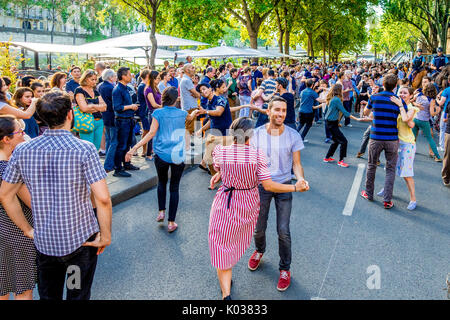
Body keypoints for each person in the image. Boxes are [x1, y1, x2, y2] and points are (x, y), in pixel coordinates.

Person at [0, 92, 112, 300]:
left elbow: (6, 195)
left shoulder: (23, 150)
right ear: (70, 114)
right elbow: (103, 198)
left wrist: (27, 229)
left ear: (40, 117)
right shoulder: (84, 149)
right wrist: (105, 234)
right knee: (76, 292)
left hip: (45, 242)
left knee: (49, 295)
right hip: (79, 243)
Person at [208, 117, 309, 300]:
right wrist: (295, 187)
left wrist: (221, 174)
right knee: (233, 244)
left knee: (222, 244)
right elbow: (268, 185)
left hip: (225, 202)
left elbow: (219, 167)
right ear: (250, 136)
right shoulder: (257, 155)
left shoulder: (220, 152)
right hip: (247, 203)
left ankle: (226, 294)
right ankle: (227, 285)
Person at [248, 96, 309, 292]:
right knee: (258, 228)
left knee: (283, 230)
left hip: (283, 185)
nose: (281, 114)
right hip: (261, 186)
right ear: (268, 111)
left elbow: (296, 164)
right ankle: (259, 251)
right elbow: (247, 162)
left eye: (283, 110)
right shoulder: (256, 135)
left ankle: (285, 269)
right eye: (277, 110)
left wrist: (299, 178)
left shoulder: (293, 135)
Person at [126, 87, 200, 232]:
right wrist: (196, 112)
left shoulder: (157, 113)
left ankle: (161, 212)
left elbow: (151, 133)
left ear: (164, 98)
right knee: (174, 187)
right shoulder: (182, 113)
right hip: (177, 155)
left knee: (162, 182)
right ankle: (171, 222)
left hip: (161, 153)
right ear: (176, 98)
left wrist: (135, 148)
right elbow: (190, 119)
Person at [0, 115, 36, 300]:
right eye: (19, 132)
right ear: (6, 139)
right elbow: (32, 203)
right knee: (23, 289)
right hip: (17, 234)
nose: (24, 135)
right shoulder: (9, 170)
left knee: (3, 287)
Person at [361, 74, 408, 209]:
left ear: (383, 84)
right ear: (395, 87)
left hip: (376, 137)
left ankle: (369, 193)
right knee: (390, 169)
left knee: (371, 165)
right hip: (392, 138)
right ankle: (387, 200)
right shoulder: (398, 100)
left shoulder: (374, 98)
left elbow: (365, 113)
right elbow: (404, 115)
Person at [378, 87, 419, 210]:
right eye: (400, 92)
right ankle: (387, 190)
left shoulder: (412, 108)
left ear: (411, 96)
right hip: (394, 142)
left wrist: (401, 106)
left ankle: (413, 199)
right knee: (391, 169)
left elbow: (407, 119)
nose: (402, 94)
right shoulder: (396, 106)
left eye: (405, 93)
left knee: (406, 174)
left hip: (407, 144)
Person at [196, 81, 244, 177]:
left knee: (227, 159)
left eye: (204, 89)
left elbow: (218, 112)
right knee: (211, 157)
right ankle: (215, 177)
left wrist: (205, 111)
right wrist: (201, 129)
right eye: (201, 91)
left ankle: (231, 178)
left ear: (210, 89)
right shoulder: (209, 103)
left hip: (226, 134)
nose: (203, 92)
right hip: (215, 133)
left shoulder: (221, 99)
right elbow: (211, 120)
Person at [323, 84, 360, 167]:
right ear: (339, 90)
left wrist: (337, 122)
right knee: (344, 141)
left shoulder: (333, 98)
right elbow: (345, 112)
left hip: (331, 122)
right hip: (331, 123)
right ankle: (341, 161)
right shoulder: (336, 100)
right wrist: (357, 119)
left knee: (336, 141)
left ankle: (327, 157)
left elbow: (331, 112)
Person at [112, 67, 140, 178]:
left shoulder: (125, 88)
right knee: (121, 145)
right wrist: (131, 106)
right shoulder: (117, 89)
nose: (131, 76)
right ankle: (118, 169)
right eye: (129, 74)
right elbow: (117, 107)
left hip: (128, 120)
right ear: (123, 76)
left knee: (127, 144)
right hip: (122, 121)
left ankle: (126, 163)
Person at [74, 70, 107, 150]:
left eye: (96, 79)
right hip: (86, 122)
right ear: (85, 79)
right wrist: (98, 107)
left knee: (96, 148)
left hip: (99, 121)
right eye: (92, 79)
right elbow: (84, 108)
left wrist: (92, 106)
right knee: (87, 148)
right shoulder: (79, 90)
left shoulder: (95, 91)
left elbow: (105, 107)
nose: (94, 81)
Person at [411, 82, 442, 162]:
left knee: (413, 138)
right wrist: (437, 111)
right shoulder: (431, 100)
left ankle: (410, 152)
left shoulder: (418, 95)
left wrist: (416, 105)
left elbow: (411, 101)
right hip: (424, 121)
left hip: (416, 119)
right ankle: (437, 156)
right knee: (430, 138)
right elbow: (432, 114)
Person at [98, 69, 118, 173]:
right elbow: (114, 103)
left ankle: (109, 163)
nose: (116, 78)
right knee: (114, 141)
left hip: (105, 116)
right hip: (111, 116)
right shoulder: (110, 87)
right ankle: (109, 164)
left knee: (109, 140)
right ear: (110, 77)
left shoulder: (101, 86)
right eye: (114, 76)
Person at [143, 70, 162, 161]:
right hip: (153, 112)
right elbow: (154, 104)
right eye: (158, 78)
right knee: (152, 133)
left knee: (157, 134)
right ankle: (148, 154)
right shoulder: (148, 89)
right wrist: (164, 106)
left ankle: (154, 151)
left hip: (158, 112)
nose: (159, 80)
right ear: (153, 79)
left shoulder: (156, 88)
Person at [180, 63, 201, 135]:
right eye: (192, 68)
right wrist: (201, 96)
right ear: (187, 70)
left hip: (190, 105)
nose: (194, 69)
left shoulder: (186, 79)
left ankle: (187, 143)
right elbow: (195, 93)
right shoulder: (187, 80)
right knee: (189, 127)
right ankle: (186, 144)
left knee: (190, 127)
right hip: (190, 106)